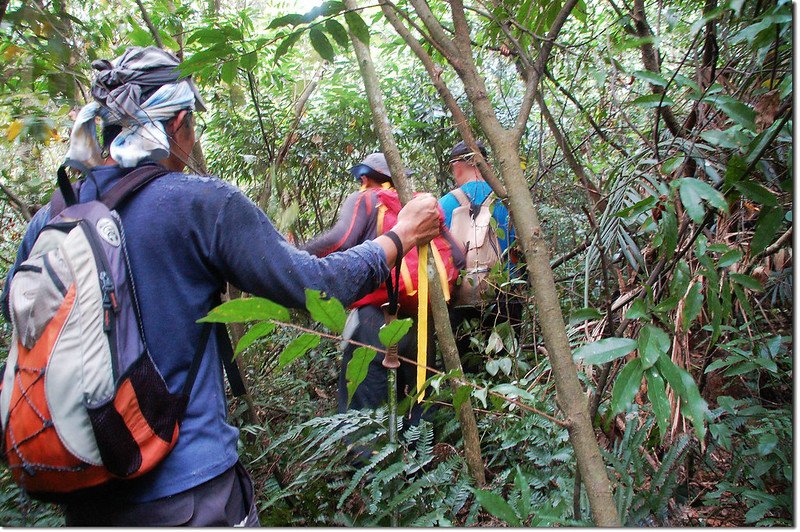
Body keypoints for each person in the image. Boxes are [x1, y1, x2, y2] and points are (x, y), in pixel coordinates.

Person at [0, 47, 442, 526]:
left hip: (85, 494)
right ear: (179, 123)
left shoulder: (52, 218)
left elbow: (18, 312)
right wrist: (400, 238)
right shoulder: (200, 203)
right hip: (188, 493)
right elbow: (317, 286)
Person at [302, 153, 464, 425]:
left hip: (373, 320)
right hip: (421, 323)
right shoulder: (421, 209)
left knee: (363, 412)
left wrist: (296, 258)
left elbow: (339, 240)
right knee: (419, 406)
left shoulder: (366, 198)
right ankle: (419, 465)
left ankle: (368, 461)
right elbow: (457, 255)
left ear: (364, 178)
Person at [439, 140, 523, 373]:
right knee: (508, 367)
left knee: (463, 369)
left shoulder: (444, 204)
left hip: (459, 297)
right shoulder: (508, 199)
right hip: (506, 293)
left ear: (457, 165)